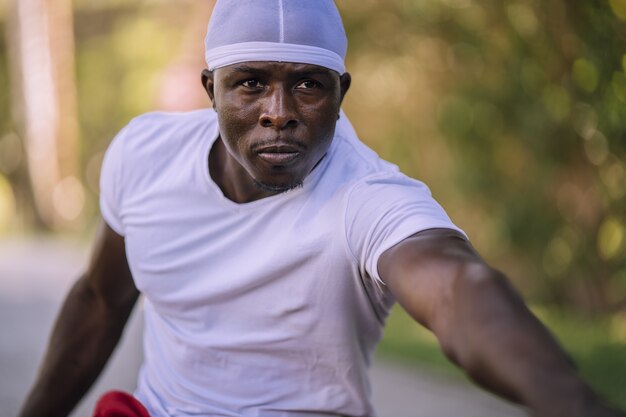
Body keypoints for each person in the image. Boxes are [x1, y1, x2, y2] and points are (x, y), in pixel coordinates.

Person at [18, 1, 625, 416]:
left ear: (341, 93)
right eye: (251, 82)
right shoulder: (145, 156)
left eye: (307, 84)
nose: (278, 110)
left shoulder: (366, 197)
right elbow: (100, 302)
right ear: (211, 90)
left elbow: (455, 291)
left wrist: (576, 404)